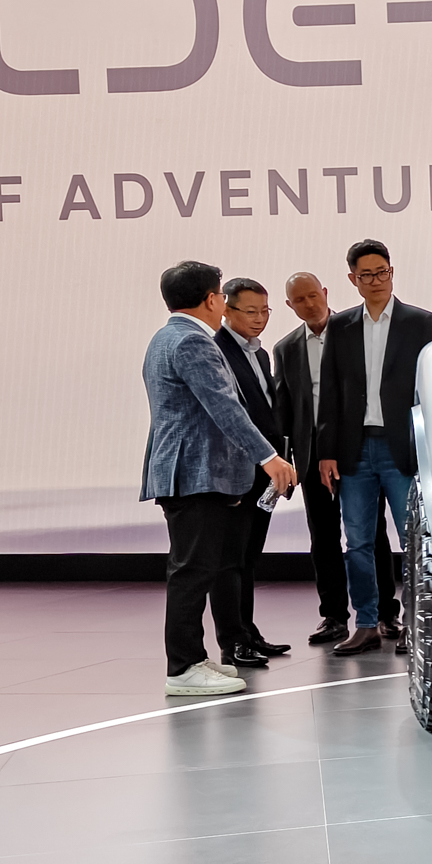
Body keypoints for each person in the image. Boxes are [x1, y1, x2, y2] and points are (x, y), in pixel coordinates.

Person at [141, 261, 298, 696]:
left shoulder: (166, 337)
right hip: (197, 473)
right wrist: (270, 458)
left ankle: (193, 658)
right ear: (212, 300)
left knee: (196, 568)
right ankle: (184, 667)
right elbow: (225, 407)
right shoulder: (193, 341)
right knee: (193, 571)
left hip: (188, 471)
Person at [317, 240, 432, 655]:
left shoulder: (420, 322)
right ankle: (367, 623)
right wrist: (326, 451)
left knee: (414, 541)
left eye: (382, 271)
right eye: (366, 275)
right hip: (354, 451)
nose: (376, 281)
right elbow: (330, 392)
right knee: (358, 543)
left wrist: (431, 446)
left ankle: (415, 622)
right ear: (353, 279)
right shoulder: (341, 326)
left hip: (401, 448)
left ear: (392, 271)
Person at [274, 272, 398, 647]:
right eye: (301, 300)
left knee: (371, 534)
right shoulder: (286, 348)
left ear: (326, 293)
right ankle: (333, 616)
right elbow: (284, 408)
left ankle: (385, 614)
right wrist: (283, 460)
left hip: (354, 448)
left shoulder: (352, 330)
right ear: (290, 306)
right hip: (311, 455)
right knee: (323, 536)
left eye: (314, 295)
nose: (310, 304)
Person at [213, 278, 292, 666]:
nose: (260, 319)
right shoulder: (215, 349)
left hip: (264, 471)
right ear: (226, 309)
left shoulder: (260, 354)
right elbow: (229, 415)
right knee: (229, 560)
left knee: (248, 557)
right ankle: (233, 640)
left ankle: (247, 631)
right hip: (234, 471)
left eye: (265, 311)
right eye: (250, 311)